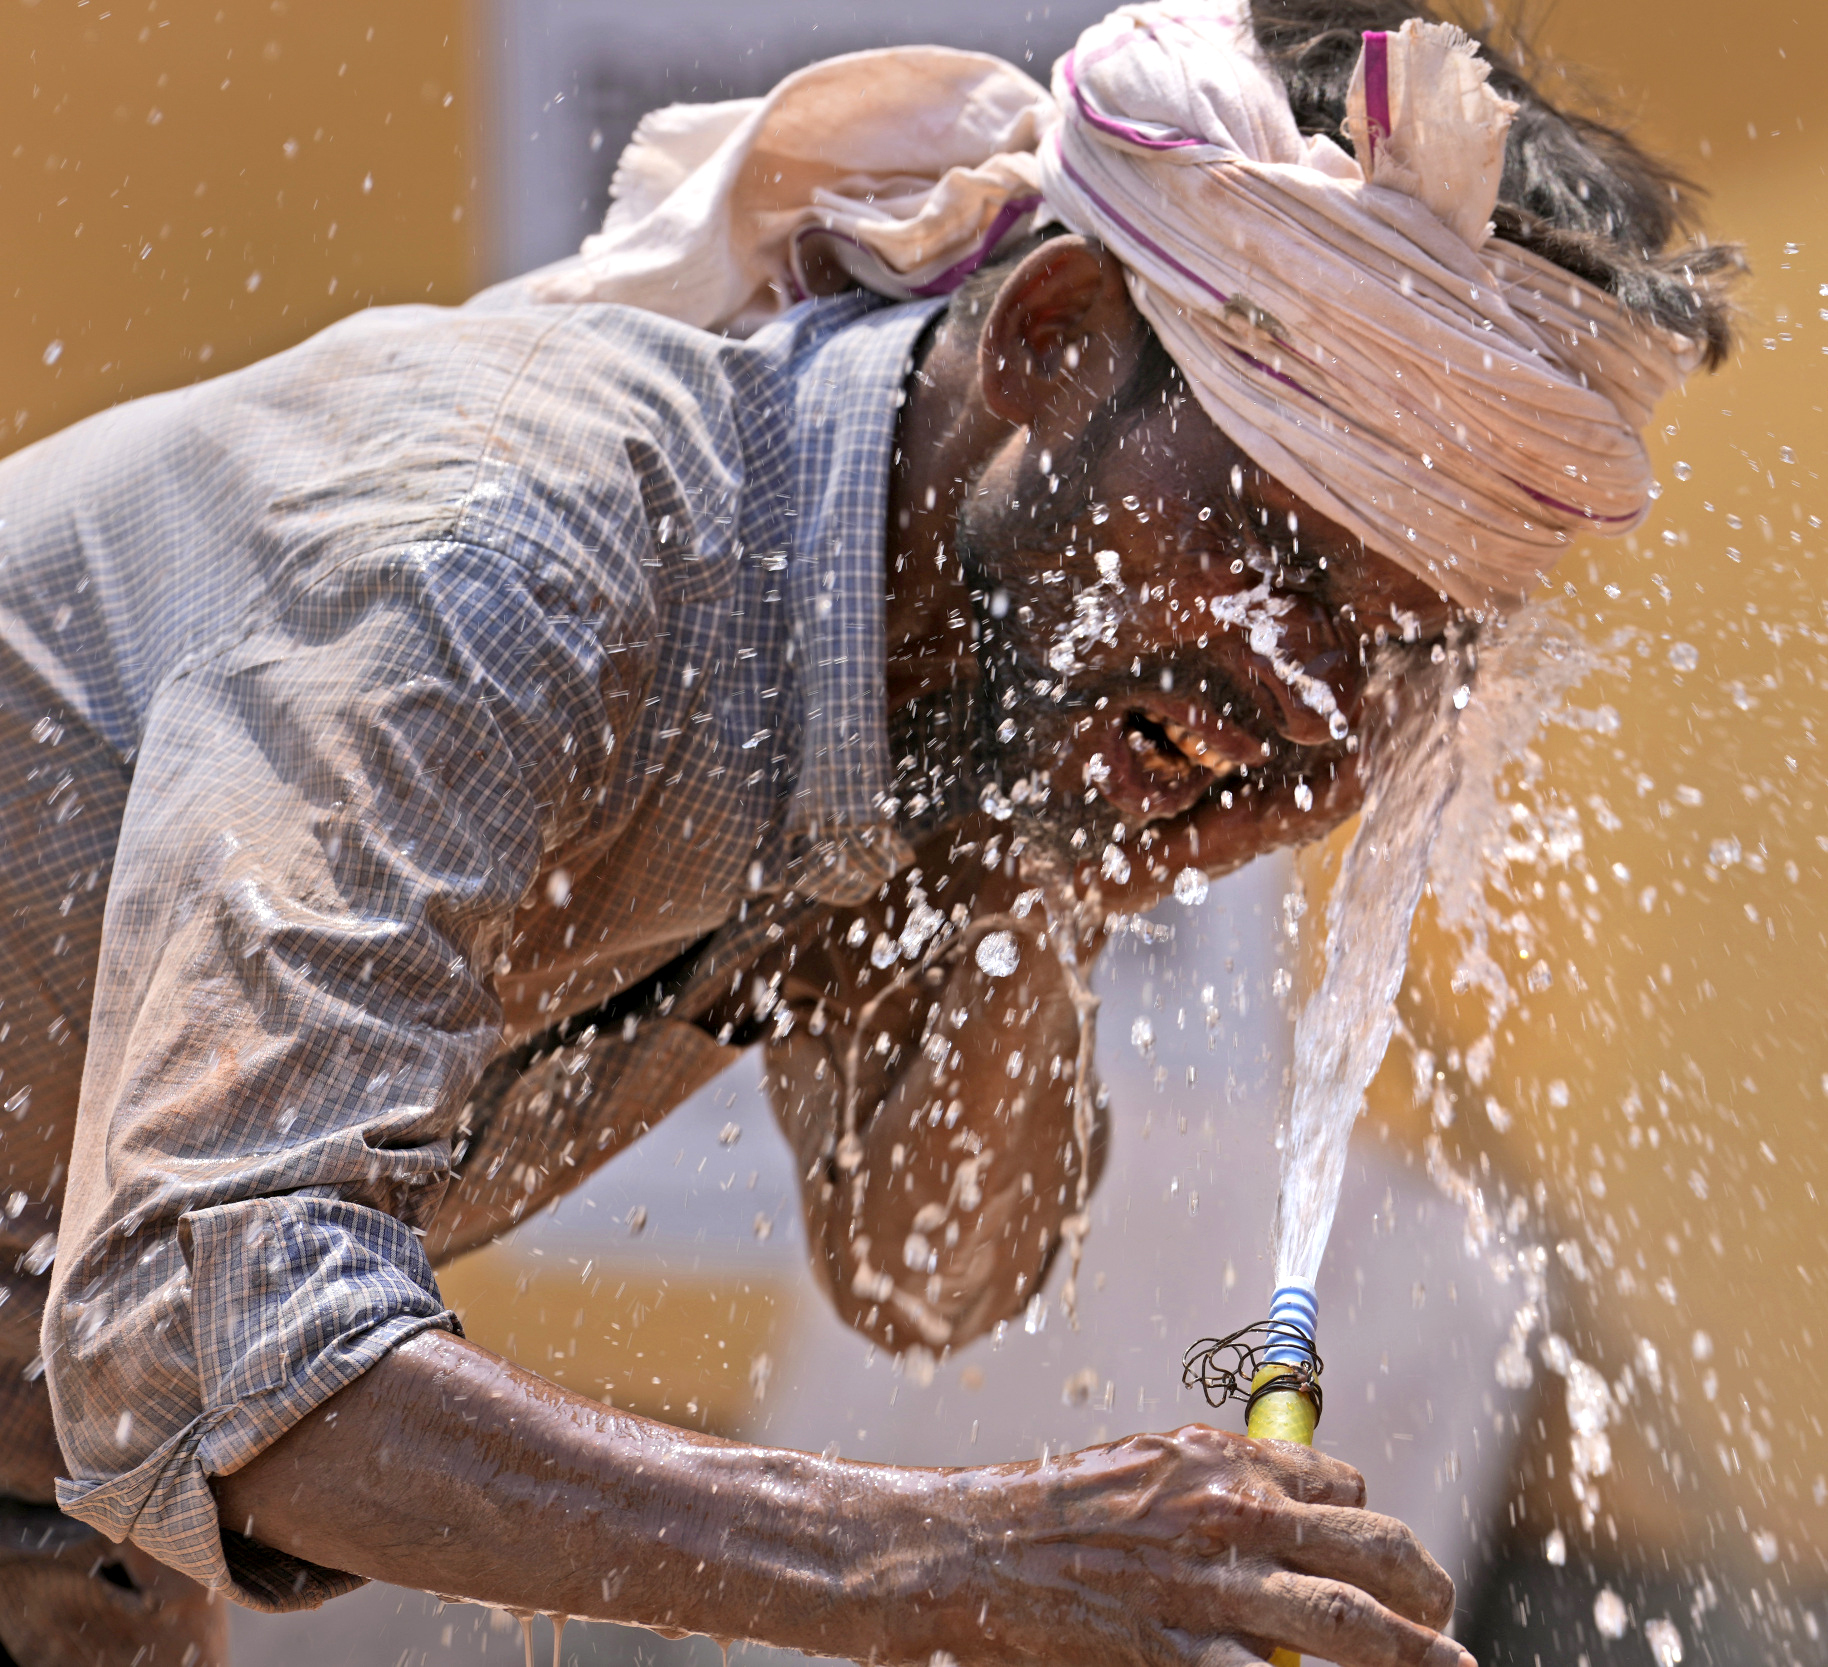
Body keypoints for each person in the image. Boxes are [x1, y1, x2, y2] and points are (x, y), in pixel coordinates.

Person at [0, 0, 1736, 1659]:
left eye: (1405, 654)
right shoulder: (509, 567)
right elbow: (221, 1332)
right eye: (1278, 554)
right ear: (1051, 336)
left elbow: (930, 1274)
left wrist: (1053, 858)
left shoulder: (963, 672)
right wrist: (934, 1561)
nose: (1309, 701)